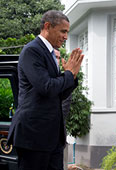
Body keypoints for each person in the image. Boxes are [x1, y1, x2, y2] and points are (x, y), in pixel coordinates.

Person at [7, 10, 84, 170]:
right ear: (48, 26)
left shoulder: (50, 54)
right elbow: (47, 87)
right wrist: (68, 74)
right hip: (34, 136)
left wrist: (72, 76)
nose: (65, 37)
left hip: (52, 137)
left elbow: (58, 94)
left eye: (67, 32)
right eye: (63, 31)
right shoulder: (32, 50)